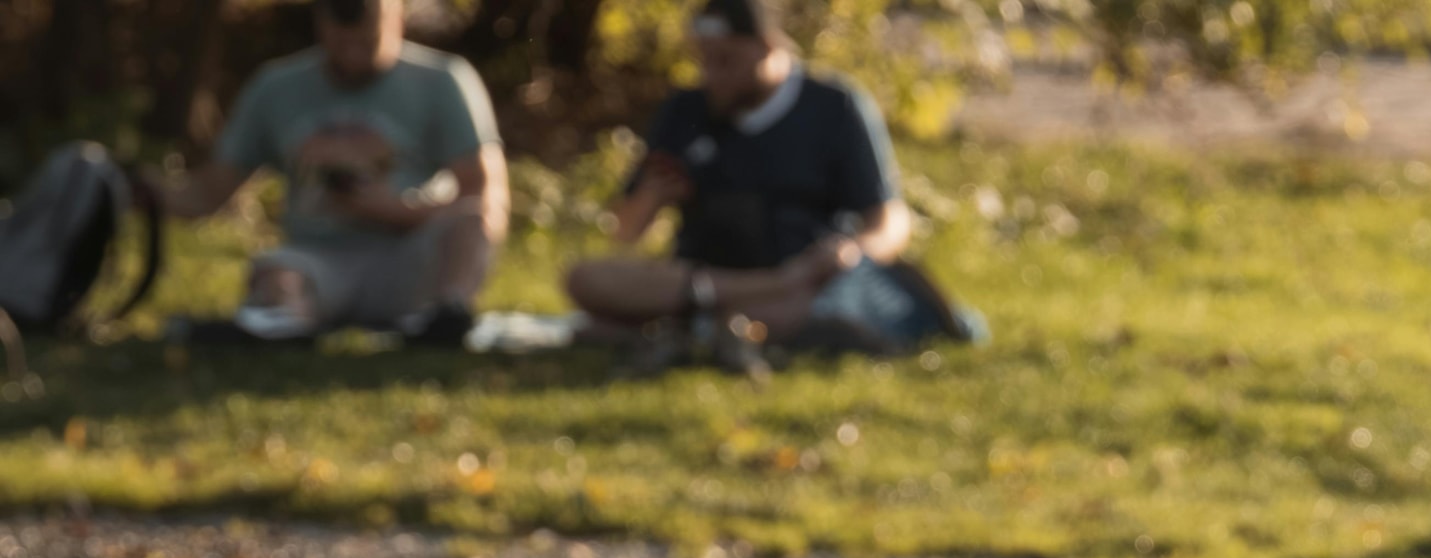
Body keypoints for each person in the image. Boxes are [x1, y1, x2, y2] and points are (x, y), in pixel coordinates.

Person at [153, 0, 505, 346]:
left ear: (397, 14)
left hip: (407, 256)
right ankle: (283, 323)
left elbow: (487, 198)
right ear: (320, 21)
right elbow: (208, 192)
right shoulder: (276, 87)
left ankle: (446, 318)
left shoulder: (443, 79)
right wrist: (138, 190)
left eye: (366, 40)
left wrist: (392, 209)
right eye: (341, 41)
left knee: (471, 221)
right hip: (318, 260)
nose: (352, 53)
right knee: (279, 275)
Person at [561, 0, 911, 344]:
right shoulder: (685, 110)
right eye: (704, 60)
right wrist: (652, 195)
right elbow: (624, 231)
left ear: (769, 47)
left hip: (806, 281)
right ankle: (724, 324)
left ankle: (685, 331)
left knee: (817, 302)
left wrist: (850, 252)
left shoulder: (834, 106)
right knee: (584, 279)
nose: (711, 75)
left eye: (727, 60)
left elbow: (889, 222)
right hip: (704, 285)